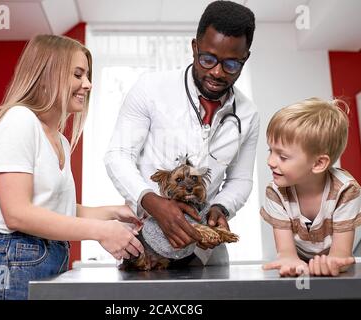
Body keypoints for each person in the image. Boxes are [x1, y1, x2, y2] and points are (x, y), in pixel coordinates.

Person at [0, 35, 143, 300]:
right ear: (48, 75)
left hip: (49, 260)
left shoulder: (60, 140)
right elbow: (17, 214)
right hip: (15, 265)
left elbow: (50, 208)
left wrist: (111, 213)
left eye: (87, 75)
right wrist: (100, 232)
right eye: (78, 74)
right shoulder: (19, 121)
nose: (88, 84)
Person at [104, 1, 258, 266]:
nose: (217, 73)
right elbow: (117, 155)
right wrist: (151, 201)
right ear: (194, 47)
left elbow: (241, 180)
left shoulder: (248, 114)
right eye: (207, 59)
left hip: (205, 251)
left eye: (231, 64)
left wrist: (220, 208)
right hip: (146, 245)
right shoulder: (150, 88)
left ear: (245, 58)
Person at [261, 98, 361, 277]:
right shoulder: (275, 192)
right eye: (270, 151)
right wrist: (289, 261)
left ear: (319, 163)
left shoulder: (346, 191)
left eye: (282, 156)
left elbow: (341, 255)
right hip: (301, 261)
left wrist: (333, 264)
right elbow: (287, 253)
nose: (270, 162)